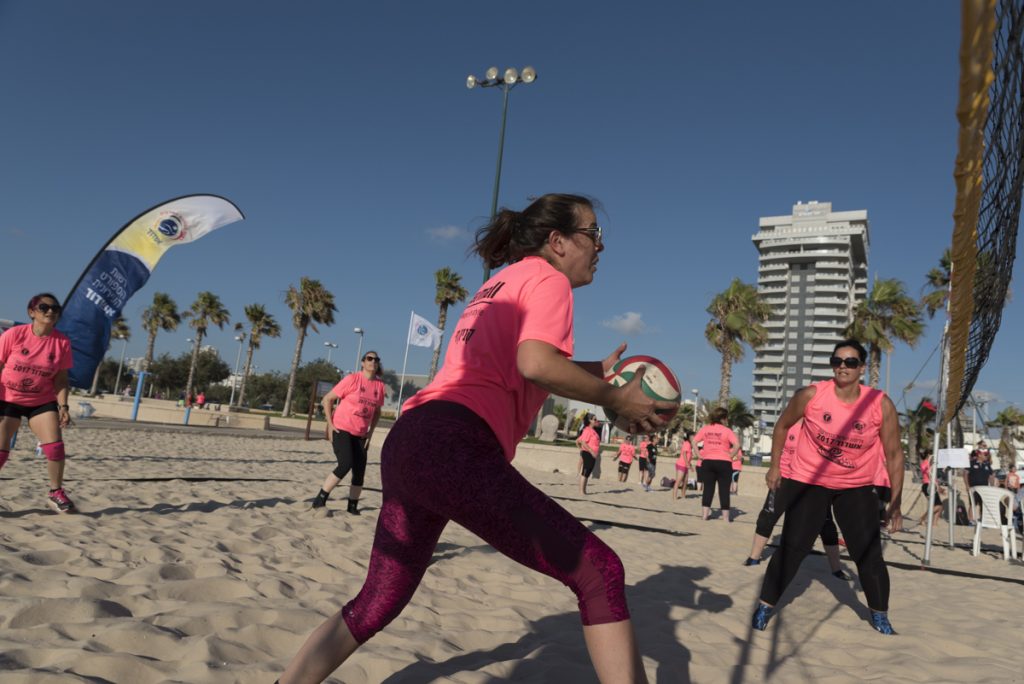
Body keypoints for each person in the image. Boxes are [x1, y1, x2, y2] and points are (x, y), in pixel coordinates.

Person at [278, 194, 674, 684]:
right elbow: (535, 364)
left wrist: (595, 372)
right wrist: (612, 399)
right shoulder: (550, 281)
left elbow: (513, 364)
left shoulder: (500, 281)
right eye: (594, 234)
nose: (600, 247)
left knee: (375, 602)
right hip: (454, 445)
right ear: (558, 241)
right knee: (600, 572)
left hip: (412, 440)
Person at [752, 339, 904, 635]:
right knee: (793, 547)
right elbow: (781, 426)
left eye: (850, 362)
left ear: (861, 368)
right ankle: (765, 606)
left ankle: (879, 614)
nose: (842, 367)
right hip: (809, 480)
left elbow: (895, 454)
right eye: (837, 361)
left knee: (868, 553)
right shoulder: (812, 395)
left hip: (855, 485)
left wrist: (894, 504)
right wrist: (774, 466)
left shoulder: (879, 403)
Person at [744, 421, 849, 580]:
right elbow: (777, 449)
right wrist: (774, 469)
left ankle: (836, 569)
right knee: (767, 516)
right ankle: (754, 557)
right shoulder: (788, 424)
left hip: (813, 482)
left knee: (826, 524)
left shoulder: (821, 427)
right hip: (785, 477)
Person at [0, 293, 75, 513]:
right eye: (44, 307)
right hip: (8, 399)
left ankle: (56, 493)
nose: (50, 312)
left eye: (55, 308)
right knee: (2, 451)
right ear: (32, 312)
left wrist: (63, 407)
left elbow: (61, 379)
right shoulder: (14, 334)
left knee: (55, 448)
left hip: (41, 401)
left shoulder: (62, 342)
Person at [310, 351, 386, 515]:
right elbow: (327, 399)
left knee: (359, 471)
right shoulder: (352, 379)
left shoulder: (379, 386)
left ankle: (352, 507)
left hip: (361, 434)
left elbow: (377, 412)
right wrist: (330, 425)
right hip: (342, 429)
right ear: (363, 362)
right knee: (346, 464)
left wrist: (370, 433)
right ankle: (319, 500)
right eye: (369, 358)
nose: (373, 361)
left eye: (376, 359)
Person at [691, 407, 740, 522]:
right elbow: (737, 445)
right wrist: (730, 455)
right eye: (726, 418)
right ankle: (726, 518)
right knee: (724, 490)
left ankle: (704, 516)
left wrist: (698, 454)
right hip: (724, 462)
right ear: (723, 418)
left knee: (708, 489)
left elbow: (694, 441)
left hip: (708, 461)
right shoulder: (727, 430)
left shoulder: (706, 429)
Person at [965, 442, 995, 523]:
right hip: (973, 487)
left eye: (986, 454)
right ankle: (970, 520)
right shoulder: (972, 462)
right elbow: (965, 474)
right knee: (973, 504)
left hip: (984, 488)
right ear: (979, 455)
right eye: (984, 455)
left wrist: (992, 486)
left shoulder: (987, 464)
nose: (986, 456)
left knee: (983, 504)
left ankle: (982, 520)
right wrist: (967, 485)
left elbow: (991, 475)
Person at [917, 453, 946, 530]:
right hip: (928, 486)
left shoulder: (930, 464)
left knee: (940, 506)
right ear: (928, 455)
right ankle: (923, 518)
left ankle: (934, 523)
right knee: (937, 506)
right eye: (932, 455)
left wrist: (939, 487)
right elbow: (929, 475)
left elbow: (934, 478)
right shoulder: (925, 463)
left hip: (933, 486)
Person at [575, 413, 601, 495]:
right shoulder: (587, 430)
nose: (596, 421)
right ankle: (581, 491)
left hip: (591, 454)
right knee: (585, 472)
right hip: (588, 453)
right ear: (590, 421)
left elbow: (578, 440)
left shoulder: (593, 431)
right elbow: (582, 442)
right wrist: (588, 450)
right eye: (594, 419)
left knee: (588, 473)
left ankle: (584, 491)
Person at [672, 430, 694, 500]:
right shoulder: (687, 443)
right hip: (681, 464)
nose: (694, 437)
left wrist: (690, 465)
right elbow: (684, 454)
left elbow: (688, 456)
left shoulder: (690, 445)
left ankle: (683, 495)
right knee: (678, 481)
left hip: (686, 465)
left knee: (685, 481)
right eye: (693, 436)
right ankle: (674, 497)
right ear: (689, 437)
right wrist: (687, 464)